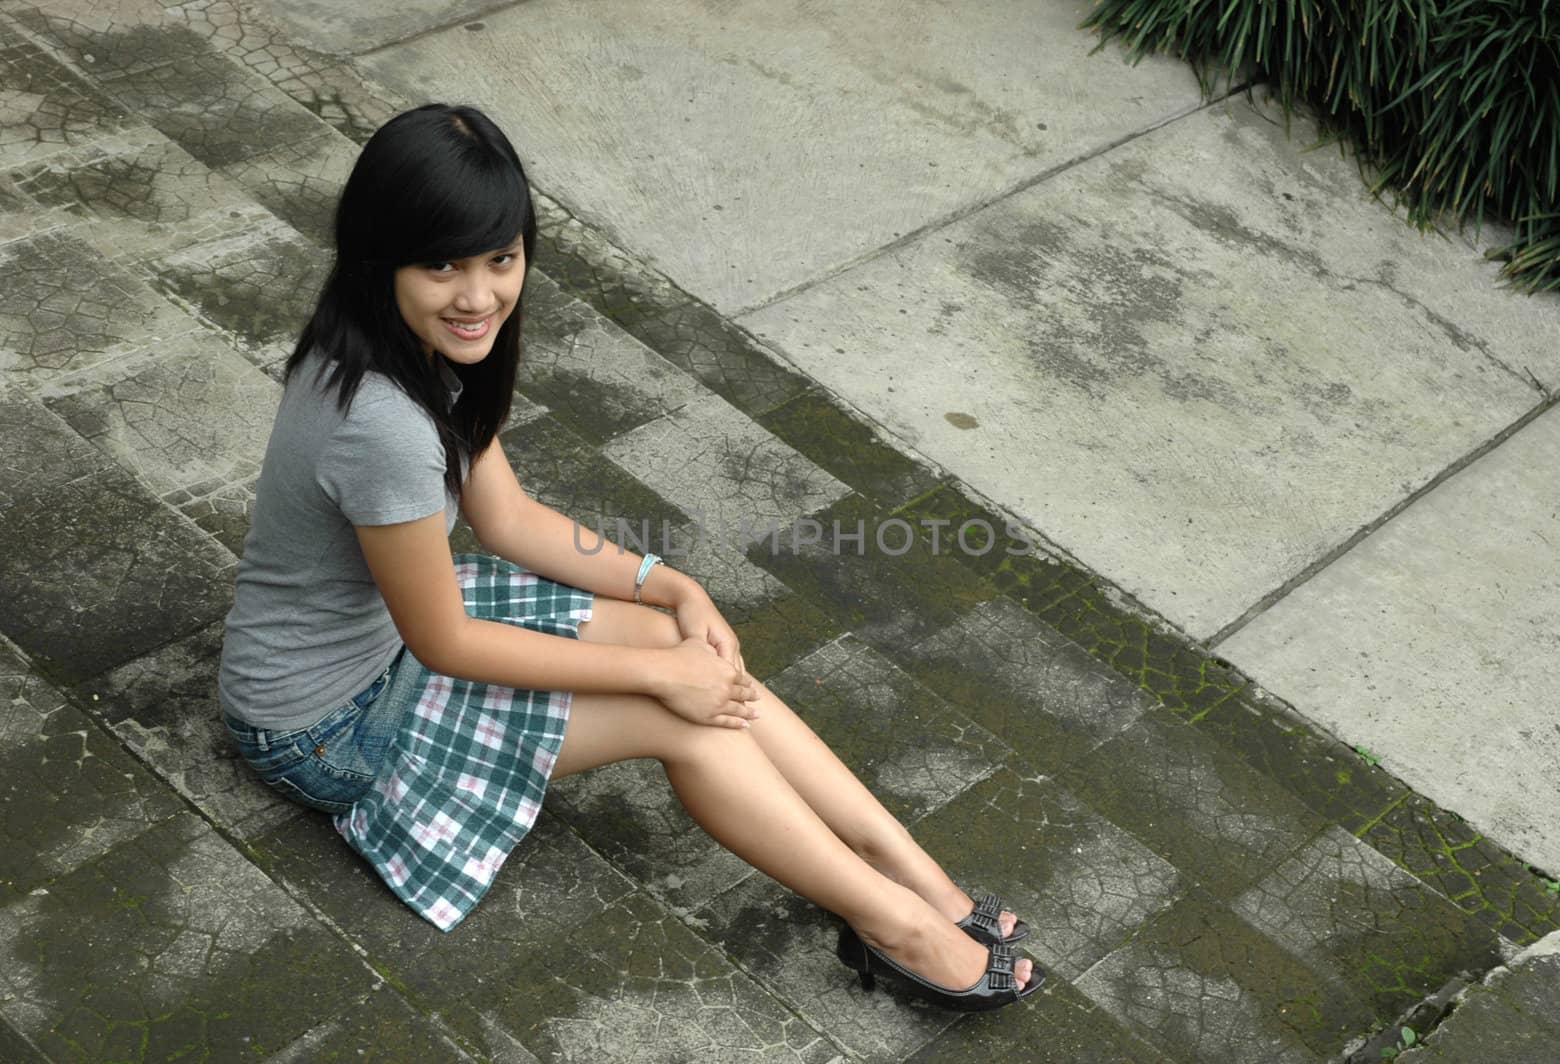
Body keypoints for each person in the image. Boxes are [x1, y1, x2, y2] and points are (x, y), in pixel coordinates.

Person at [217, 103, 1042, 1012]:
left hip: (387, 638)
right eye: (442, 263)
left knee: (677, 650)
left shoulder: (401, 348)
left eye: (501, 258)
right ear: (380, 257)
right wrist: (661, 683)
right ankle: (900, 927)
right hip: (324, 726)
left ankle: (910, 871)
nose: (480, 294)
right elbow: (448, 640)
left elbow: (512, 521)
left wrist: (671, 584)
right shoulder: (379, 421)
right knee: (680, 710)